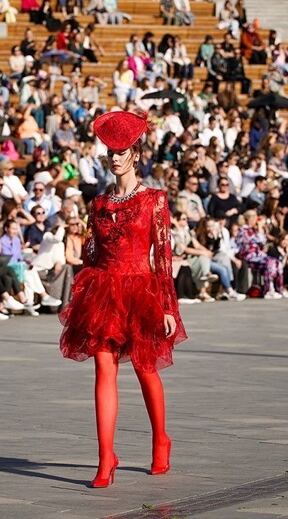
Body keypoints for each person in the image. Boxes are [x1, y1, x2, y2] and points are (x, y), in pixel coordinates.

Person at [59, 110, 187, 488]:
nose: (114, 157)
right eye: (110, 152)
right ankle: (104, 459)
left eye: (122, 151)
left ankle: (161, 439)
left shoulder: (154, 200)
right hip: (102, 291)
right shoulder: (97, 204)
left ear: (136, 153)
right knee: (103, 369)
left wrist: (167, 304)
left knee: (146, 369)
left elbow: (163, 256)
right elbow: (90, 255)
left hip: (141, 290)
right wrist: (83, 295)